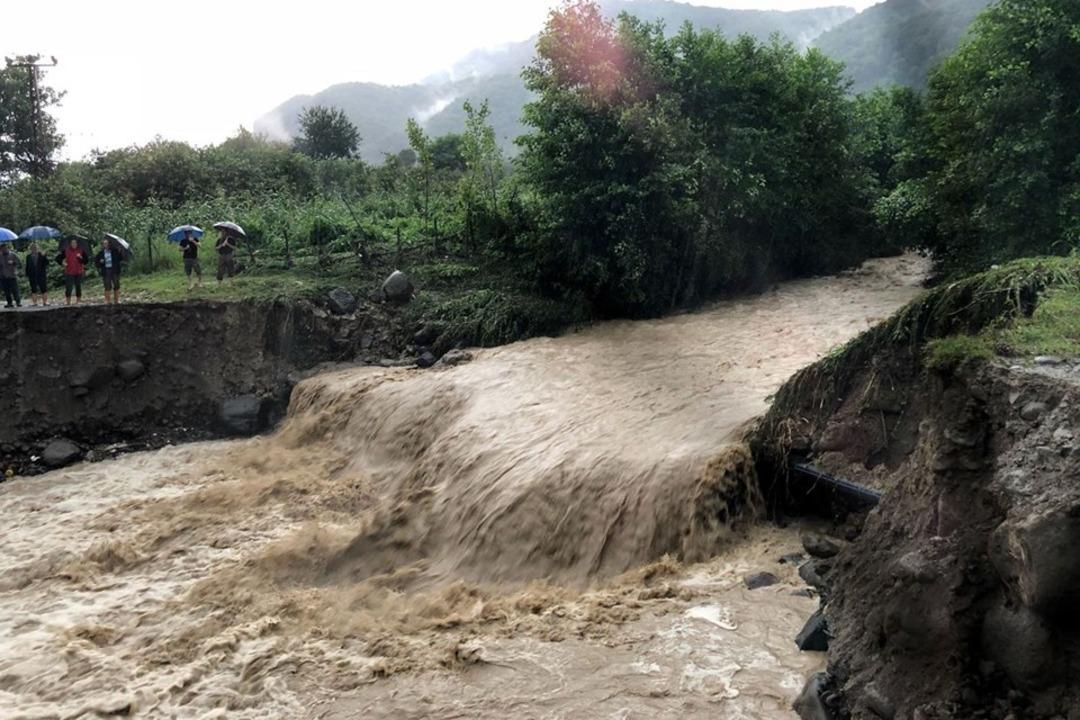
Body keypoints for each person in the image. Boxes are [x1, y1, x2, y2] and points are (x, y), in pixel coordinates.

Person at [56, 237, 88, 305]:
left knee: (78, 286)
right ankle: (68, 301)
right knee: (68, 287)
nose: (74, 244)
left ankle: (78, 301)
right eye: (72, 243)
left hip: (78, 271)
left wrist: (81, 258)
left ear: (77, 244)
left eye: (75, 243)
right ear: (70, 244)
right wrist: (63, 263)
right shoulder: (66, 250)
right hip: (69, 272)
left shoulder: (81, 251)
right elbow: (58, 258)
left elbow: (85, 261)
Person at [94, 236, 124, 305]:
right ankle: (107, 300)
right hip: (106, 270)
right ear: (103, 245)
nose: (106, 245)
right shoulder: (100, 253)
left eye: (107, 243)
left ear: (109, 244)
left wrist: (120, 252)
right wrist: (100, 262)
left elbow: (120, 259)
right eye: (104, 244)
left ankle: (116, 300)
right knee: (107, 285)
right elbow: (96, 263)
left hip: (114, 270)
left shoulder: (115, 251)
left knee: (116, 284)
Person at [25, 242, 50, 306]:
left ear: (38, 248)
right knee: (33, 289)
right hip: (32, 276)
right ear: (30, 249)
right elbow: (27, 266)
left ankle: (45, 302)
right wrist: (27, 274)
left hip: (41, 275)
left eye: (35, 248)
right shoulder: (28, 257)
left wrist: (44, 256)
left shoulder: (41, 255)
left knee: (44, 288)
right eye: (33, 248)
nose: (34, 249)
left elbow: (47, 263)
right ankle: (35, 303)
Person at [0, 242, 21, 308]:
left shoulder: (13, 255)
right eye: (2, 248)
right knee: (7, 291)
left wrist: (13, 262)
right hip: (3, 276)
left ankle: (18, 302)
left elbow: (19, 263)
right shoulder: (0, 256)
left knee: (15, 290)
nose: (4, 249)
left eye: (5, 248)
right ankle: (9, 303)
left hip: (12, 275)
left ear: (7, 248)